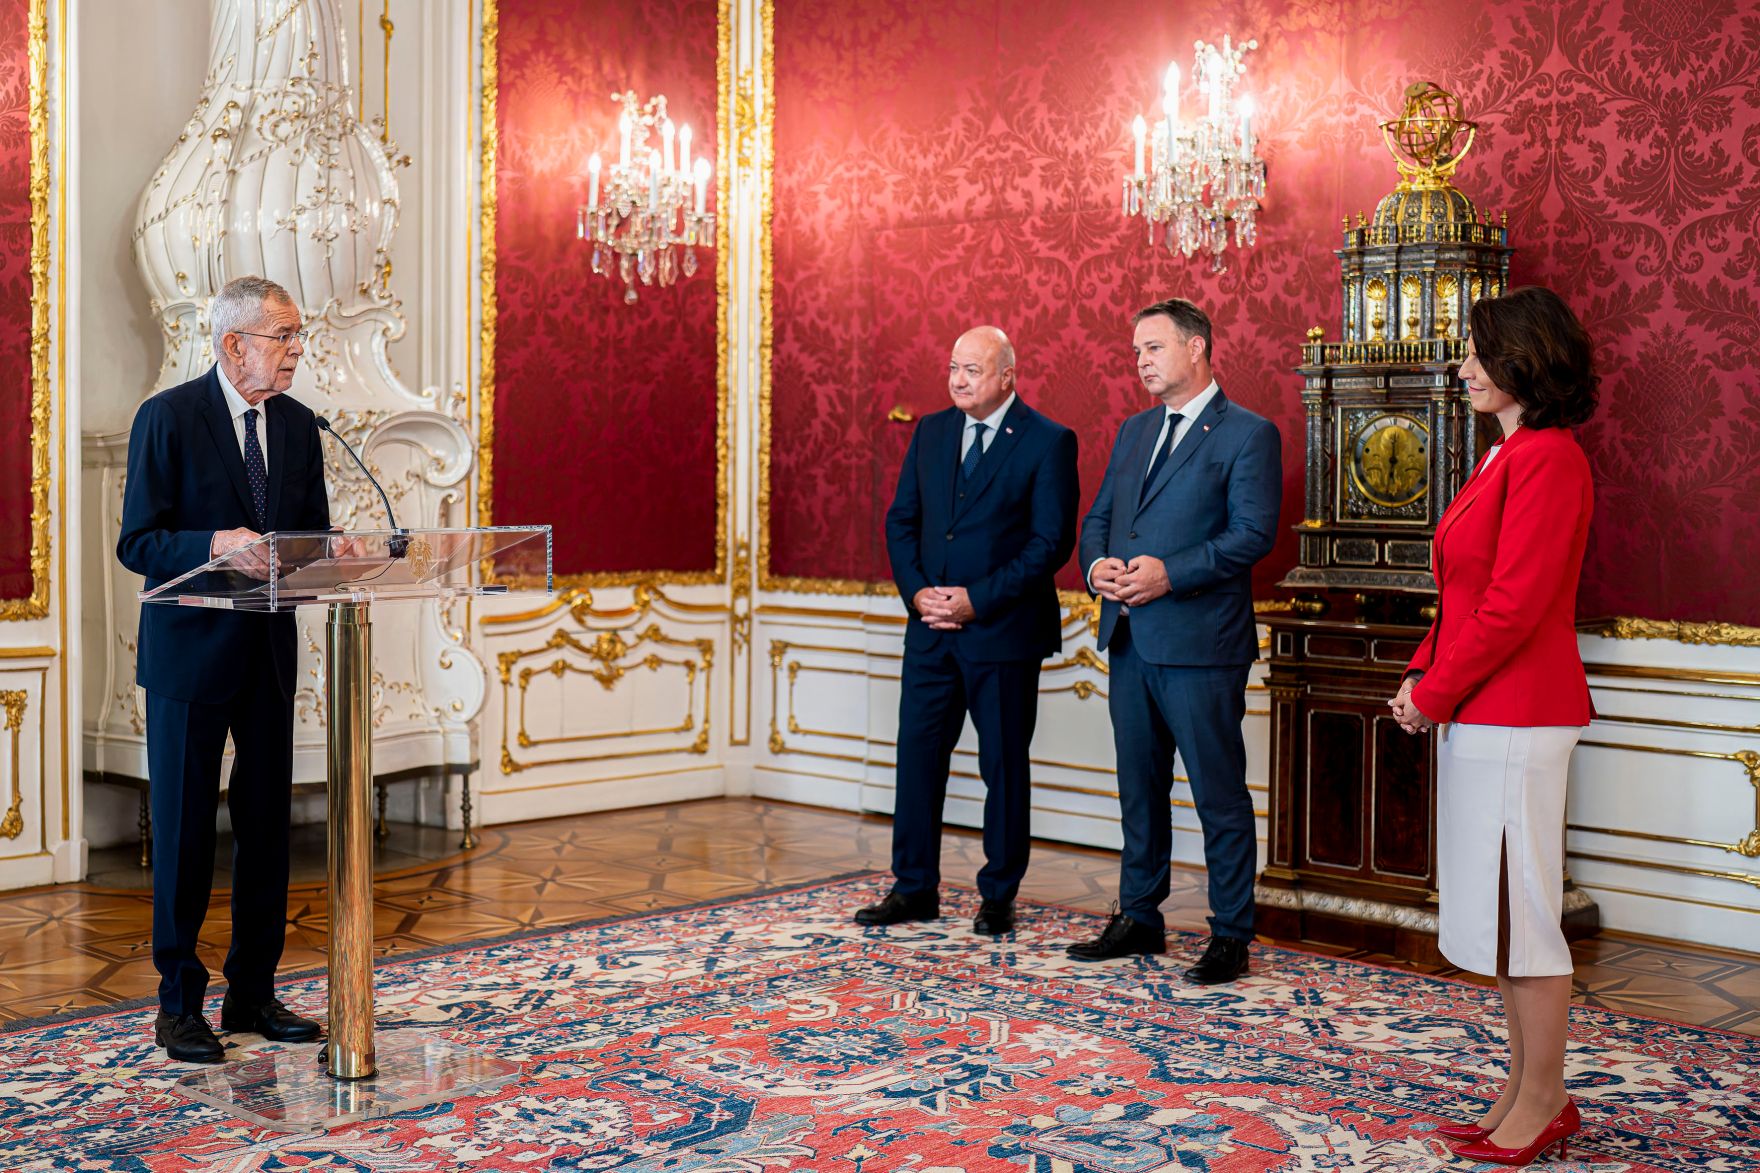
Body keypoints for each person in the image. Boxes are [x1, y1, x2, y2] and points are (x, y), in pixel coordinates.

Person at [1389, 286, 1597, 1165]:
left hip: (1520, 711)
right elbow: (1465, 595)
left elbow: (1514, 607)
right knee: (1499, 914)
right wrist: (1421, 672)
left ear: (1526, 358)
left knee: (1525, 916)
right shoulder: (1503, 455)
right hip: (1484, 710)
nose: (1462, 366)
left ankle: (1546, 1097)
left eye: (1478, 351)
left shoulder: (1549, 457)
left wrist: (1434, 694)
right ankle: (1522, 1088)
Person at [117, 275, 331, 1063]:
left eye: (298, 338)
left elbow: (310, 538)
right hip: (188, 656)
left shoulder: (304, 426)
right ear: (234, 343)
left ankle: (252, 992)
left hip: (267, 652)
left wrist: (336, 552)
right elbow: (138, 542)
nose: (296, 352)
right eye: (285, 337)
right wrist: (210, 543)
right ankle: (179, 1005)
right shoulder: (167, 417)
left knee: (269, 831)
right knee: (183, 835)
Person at [1067, 297, 1281, 984]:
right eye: (1136, 351)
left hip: (1201, 644)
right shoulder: (1133, 432)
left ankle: (1230, 934)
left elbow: (1252, 534)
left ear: (1196, 348)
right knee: (1139, 788)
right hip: (1129, 638)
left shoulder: (1249, 433)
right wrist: (1096, 565)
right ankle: (1139, 916)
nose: (1141, 362)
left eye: (1153, 348)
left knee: (1218, 793)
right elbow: (1099, 518)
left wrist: (1169, 575)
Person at [855, 326, 1079, 935]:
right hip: (930, 628)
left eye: (972, 370)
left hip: (1002, 632)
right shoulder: (930, 432)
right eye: (953, 366)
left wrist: (976, 601)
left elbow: (1050, 543)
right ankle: (913, 888)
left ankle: (998, 894)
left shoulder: (1048, 441)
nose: (957, 379)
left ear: (1007, 376)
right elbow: (903, 521)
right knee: (917, 759)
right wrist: (919, 592)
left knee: (1003, 766)